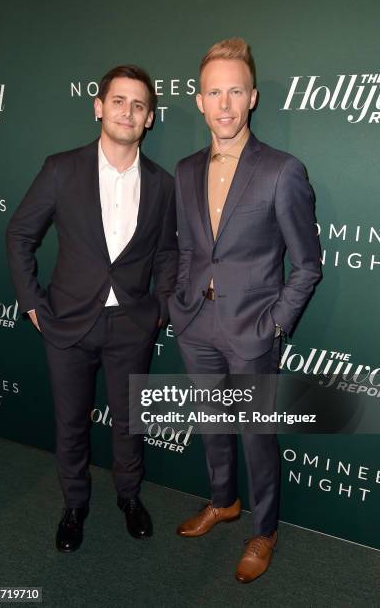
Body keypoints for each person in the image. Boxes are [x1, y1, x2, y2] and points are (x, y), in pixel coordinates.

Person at [6, 64, 178, 551]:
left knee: (130, 421)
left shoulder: (163, 185)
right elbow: (20, 235)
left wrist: (161, 307)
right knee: (70, 420)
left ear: (149, 119)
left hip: (133, 323)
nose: (128, 111)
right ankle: (74, 503)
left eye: (139, 105)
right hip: (67, 323)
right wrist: (33, 304)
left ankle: (128, 496)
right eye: (119, 101)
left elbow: (168, 253)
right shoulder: (61, 168)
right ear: (99, 107)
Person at [169, 38, 321, 583]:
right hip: (195, 327)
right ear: (199, 101)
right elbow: (185, 250)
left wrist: (275, 325)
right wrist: (178, 307)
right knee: (212, 424)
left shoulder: (282, 171)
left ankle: (264, 528)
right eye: (215, 92)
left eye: (235, 90)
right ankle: (222, 501)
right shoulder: (185, 170)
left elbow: (306, 265)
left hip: (253, 333)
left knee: (258, 437)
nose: (225, 103)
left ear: (252, 97)